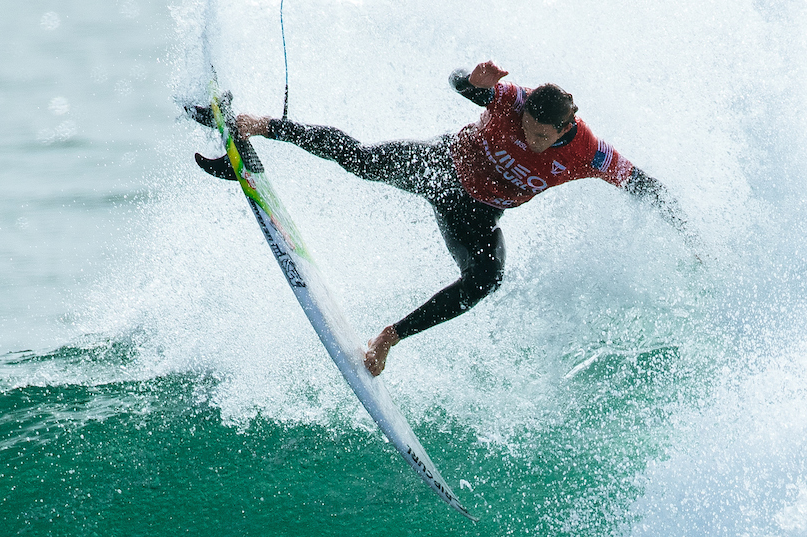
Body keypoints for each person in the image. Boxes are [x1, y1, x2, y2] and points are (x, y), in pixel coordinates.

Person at [193, 60, 697, 375]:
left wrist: (688, 233)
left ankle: (389, 337)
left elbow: (645, 185)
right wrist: (472, 79)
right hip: (441, 167)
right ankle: (256, 125)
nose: (533, 139)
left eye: (544, 136)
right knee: (360, 158)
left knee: (486, 279)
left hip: (477, 217)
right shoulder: (511, 101)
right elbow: (461, 82)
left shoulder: (590, 153)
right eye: (529, 129)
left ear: (568, 125)